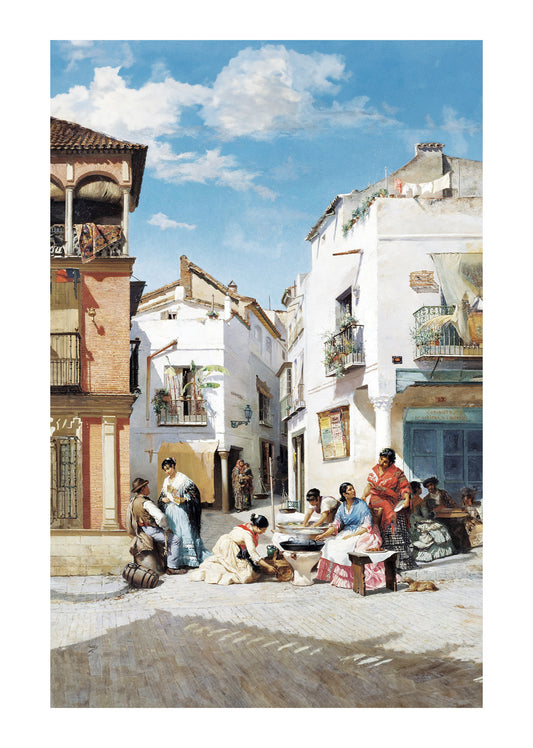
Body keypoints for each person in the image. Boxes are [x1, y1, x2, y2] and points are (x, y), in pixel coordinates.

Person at [314, 482, 388, 590]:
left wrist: (352, 535)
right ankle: (339, 578)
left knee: (347, 545)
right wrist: (323, 535)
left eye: (353, 489)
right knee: (330, 543)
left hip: (364, 531)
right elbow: (336, 524)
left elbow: (367, 524)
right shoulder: (342, 507)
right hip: (348, 531)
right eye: (349, 490)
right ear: (344, 494)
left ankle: (354, 579)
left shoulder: (361, 504)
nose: (353, 491)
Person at [361, 447, 418, 571]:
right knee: (383, 514)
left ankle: (399, 563)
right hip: (376, 500)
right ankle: (380, 564)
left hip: (392, 500)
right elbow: (369, 486)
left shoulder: (397, 472)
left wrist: (407, 499)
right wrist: (363, 496)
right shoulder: (374, 470)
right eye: (381, 459)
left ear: (391, 462)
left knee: (395, 515)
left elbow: (404, 487)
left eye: (385, 461)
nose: (381, 463)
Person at [189, 514, 277, 585]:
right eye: (263, 530)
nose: (264, 532)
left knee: (249, 568)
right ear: (257, 527)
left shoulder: (250, 526)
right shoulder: (248, 535)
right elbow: (253, 553)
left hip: (234, 546)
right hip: (228, 547)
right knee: (246, 575)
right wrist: (267, 566)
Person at [158, 457, 212, 572]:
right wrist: (164, 500)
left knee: (184, 532)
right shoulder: (166, 481)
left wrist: (182, 499)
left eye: (168, 468)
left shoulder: (183, 479)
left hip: (180, 511)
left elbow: (193, 494)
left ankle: (189, 560)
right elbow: (162, 497)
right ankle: (176, 560)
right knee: (174, 535)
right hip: (170, 513)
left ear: (173, 466)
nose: (167, 471)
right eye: (165, 470)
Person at [126, 477, 184, 575]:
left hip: (142, 529)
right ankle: (172, 568)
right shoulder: (146, 502)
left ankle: (166, 563)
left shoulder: (134, 501)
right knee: (175, 540)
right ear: (143, 488)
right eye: (146, 486)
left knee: (168, 541)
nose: (148, 488)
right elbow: (161, 517)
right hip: (151, 530)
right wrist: (165, 528)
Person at [409, 481, 455, 563]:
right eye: (420, 487)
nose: (422, 490)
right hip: (420, 522)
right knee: (441, 529)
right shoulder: (419, 500)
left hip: (411, 523)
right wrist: (433, 512)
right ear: (417, 489)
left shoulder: (408, 499)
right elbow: (426, 515)